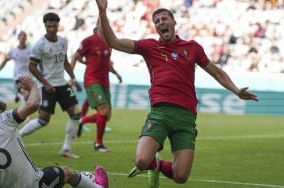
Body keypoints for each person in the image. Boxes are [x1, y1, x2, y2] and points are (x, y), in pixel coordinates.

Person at [95, 0, 258, 187]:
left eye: (164, 19)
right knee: (141, 161)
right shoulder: (149, 47)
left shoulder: (193, 47)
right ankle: (152, 163)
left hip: (186, 117)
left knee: (180, 177)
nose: (161, 23)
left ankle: (156, 165)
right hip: (160, 113)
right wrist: (102, 12)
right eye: (156, 21)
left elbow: (216, 72)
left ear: (174, 23)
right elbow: (113, 42)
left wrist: (236, 90)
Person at [0, 75, 109, 188]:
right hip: (32, 185)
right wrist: (32, 85)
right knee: (67, 172)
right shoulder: (3, 120)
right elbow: (34, 104)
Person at [18, 12, 83, 159]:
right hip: (47, 86)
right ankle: (17, 138)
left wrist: (73, 78)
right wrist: (45, 83)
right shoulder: (39, 45)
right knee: (43, 120)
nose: (52, 29)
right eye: (49, 26)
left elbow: (65, 61)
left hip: (62, 83)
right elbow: (32, 66)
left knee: (76, 113)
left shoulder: (63, 42)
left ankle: (66, 149)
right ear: (45, 26)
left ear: (58, 25)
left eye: (54, 26)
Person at [71, 27, 122, 152]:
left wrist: (116, 73)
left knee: (107, 115)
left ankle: (82, 120)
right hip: (92, 80)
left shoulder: (109, 43)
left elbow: (107, 63)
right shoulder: (89, 40)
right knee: (103, 111)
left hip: (105, 82)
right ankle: (98, 144)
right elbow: (75, 56)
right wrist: (72, 77)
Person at [0, 30, 32, 104]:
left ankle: (19, 95)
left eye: (24, 36)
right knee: (26, 94)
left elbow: (36, 63)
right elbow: (4, 62)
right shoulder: (13, 51)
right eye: (21, 36)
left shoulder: (31, 51)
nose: (23, 38)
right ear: (18, 38)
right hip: (18, 77)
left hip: (28, 77)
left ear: (26, 38)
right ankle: (24, 113)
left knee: (27, 96)